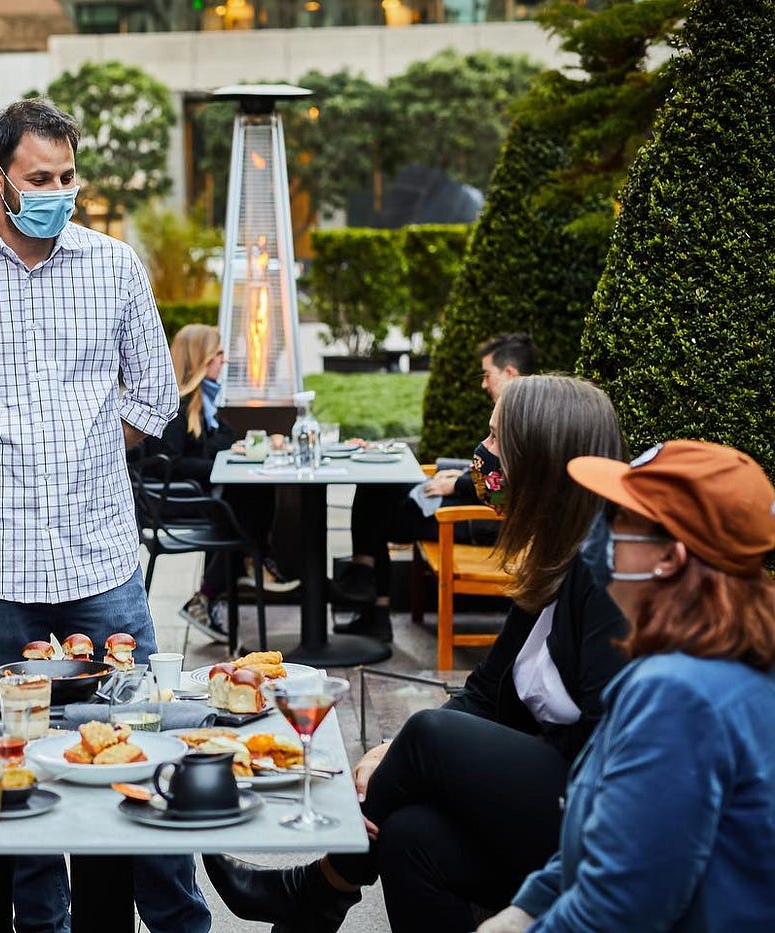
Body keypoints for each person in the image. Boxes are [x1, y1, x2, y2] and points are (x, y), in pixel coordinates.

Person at [0, 98, 207, 933]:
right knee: (18, 767)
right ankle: (46, 924)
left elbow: (153, 393)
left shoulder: (115, 266)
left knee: (140, 748)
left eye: (68, 177)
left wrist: (97, 446)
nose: (59, 191)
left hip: (102, 567)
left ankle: (179, 923)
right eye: (40, 178)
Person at [205, 374, 630, 933]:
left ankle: (314, 889)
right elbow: (484, 692)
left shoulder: (606, 578)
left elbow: (617, 746)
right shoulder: (551, 561)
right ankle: (319, 896)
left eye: (498, 440)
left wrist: (418, 754)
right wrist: (390, 751)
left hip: (589, 810)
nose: (483, 455)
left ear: (542, 459)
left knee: (429, 733)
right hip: (542, 796)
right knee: (407, 837)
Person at [479, 441, 775, 933]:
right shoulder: (717, 665)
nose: (602, 536)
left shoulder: (679, 693)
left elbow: (616, 910)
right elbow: (620, 839)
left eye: (621, 522)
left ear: (669, 557)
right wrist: (526, 908)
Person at [332, 332, 536, 640]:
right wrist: (456, 475)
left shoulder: (524, 417)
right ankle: (368, 591)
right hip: (472, 506)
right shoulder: (527, 411)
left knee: (378, 501)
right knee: (379, 486)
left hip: (478, 522)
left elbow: (511, 482)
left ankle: (369, 591)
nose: (483, 384)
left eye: (487, 375)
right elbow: (502, 470)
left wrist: (459, 484)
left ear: (509, 374)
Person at [140, 323, 299, 642]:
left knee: (252, 490)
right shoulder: (175, 407)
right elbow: (169, 465)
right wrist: (218, 463)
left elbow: (222, 440)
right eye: (219, 354)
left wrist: (230, 452)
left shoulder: (206, 405)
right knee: (244, 505)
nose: (224, 361)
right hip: (178, 503)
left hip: (199, 496)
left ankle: (237, 575)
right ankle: (252, 563)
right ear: (201, 359)